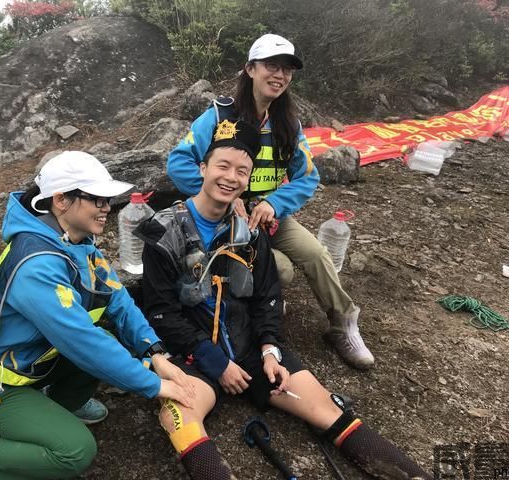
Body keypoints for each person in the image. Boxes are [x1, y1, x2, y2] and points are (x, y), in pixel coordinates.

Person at [137, 119, 430, 479]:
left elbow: (268, 299)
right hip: (193, 355)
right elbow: (161, 314)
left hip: (249, 348)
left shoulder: (250, 232)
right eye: (223, 166)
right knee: (177, 417)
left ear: (248, 180)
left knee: (324, 408)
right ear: (202, 169)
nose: (231, 177)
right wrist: (217, 364)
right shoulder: (163, 232)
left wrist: (270, 350)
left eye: (241, 171)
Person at [0, 151, 195, 480]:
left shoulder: (77, 242)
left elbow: (118, 299)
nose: (107, 207)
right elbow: (83, 343)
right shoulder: (35, 265)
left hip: (25, 364)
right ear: (61, 200)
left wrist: (155, 352)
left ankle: (57, 409)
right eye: (98, 199)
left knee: (105, 339)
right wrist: (155, 385)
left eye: (108, 199)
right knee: (75, 451)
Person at [167, 33, 374, 369]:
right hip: (225, 217)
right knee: (281, 270)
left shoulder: (287, 123)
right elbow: (178, 162)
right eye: (271, 66)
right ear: (250, 69)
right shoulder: (220, 117)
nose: (279, 75)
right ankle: (258, 308)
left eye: (287, 70)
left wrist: (274, 204)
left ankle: (343, 324)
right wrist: (221, 195)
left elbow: (308, 176)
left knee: (316, 254)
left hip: (268, 216)